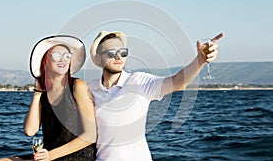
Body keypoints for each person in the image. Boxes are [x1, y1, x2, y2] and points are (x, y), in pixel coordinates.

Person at [88, 30, 224, 160]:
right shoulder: (89, 89)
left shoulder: (139, 81)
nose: (118, 57)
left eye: (123, 52)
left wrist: (200, 59)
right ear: (98, 58)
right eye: (111, 53)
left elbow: (178, 82)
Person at [0, 35, 97, 161]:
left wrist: (51, 155)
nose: (63, 60)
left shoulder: (78, 86)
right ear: (45, 61)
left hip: (76, 156)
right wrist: (38, 92)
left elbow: (91, 135)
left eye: (67, 56)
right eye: (56, 56)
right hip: (48, 155)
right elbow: (30, 130)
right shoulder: (43, 94)